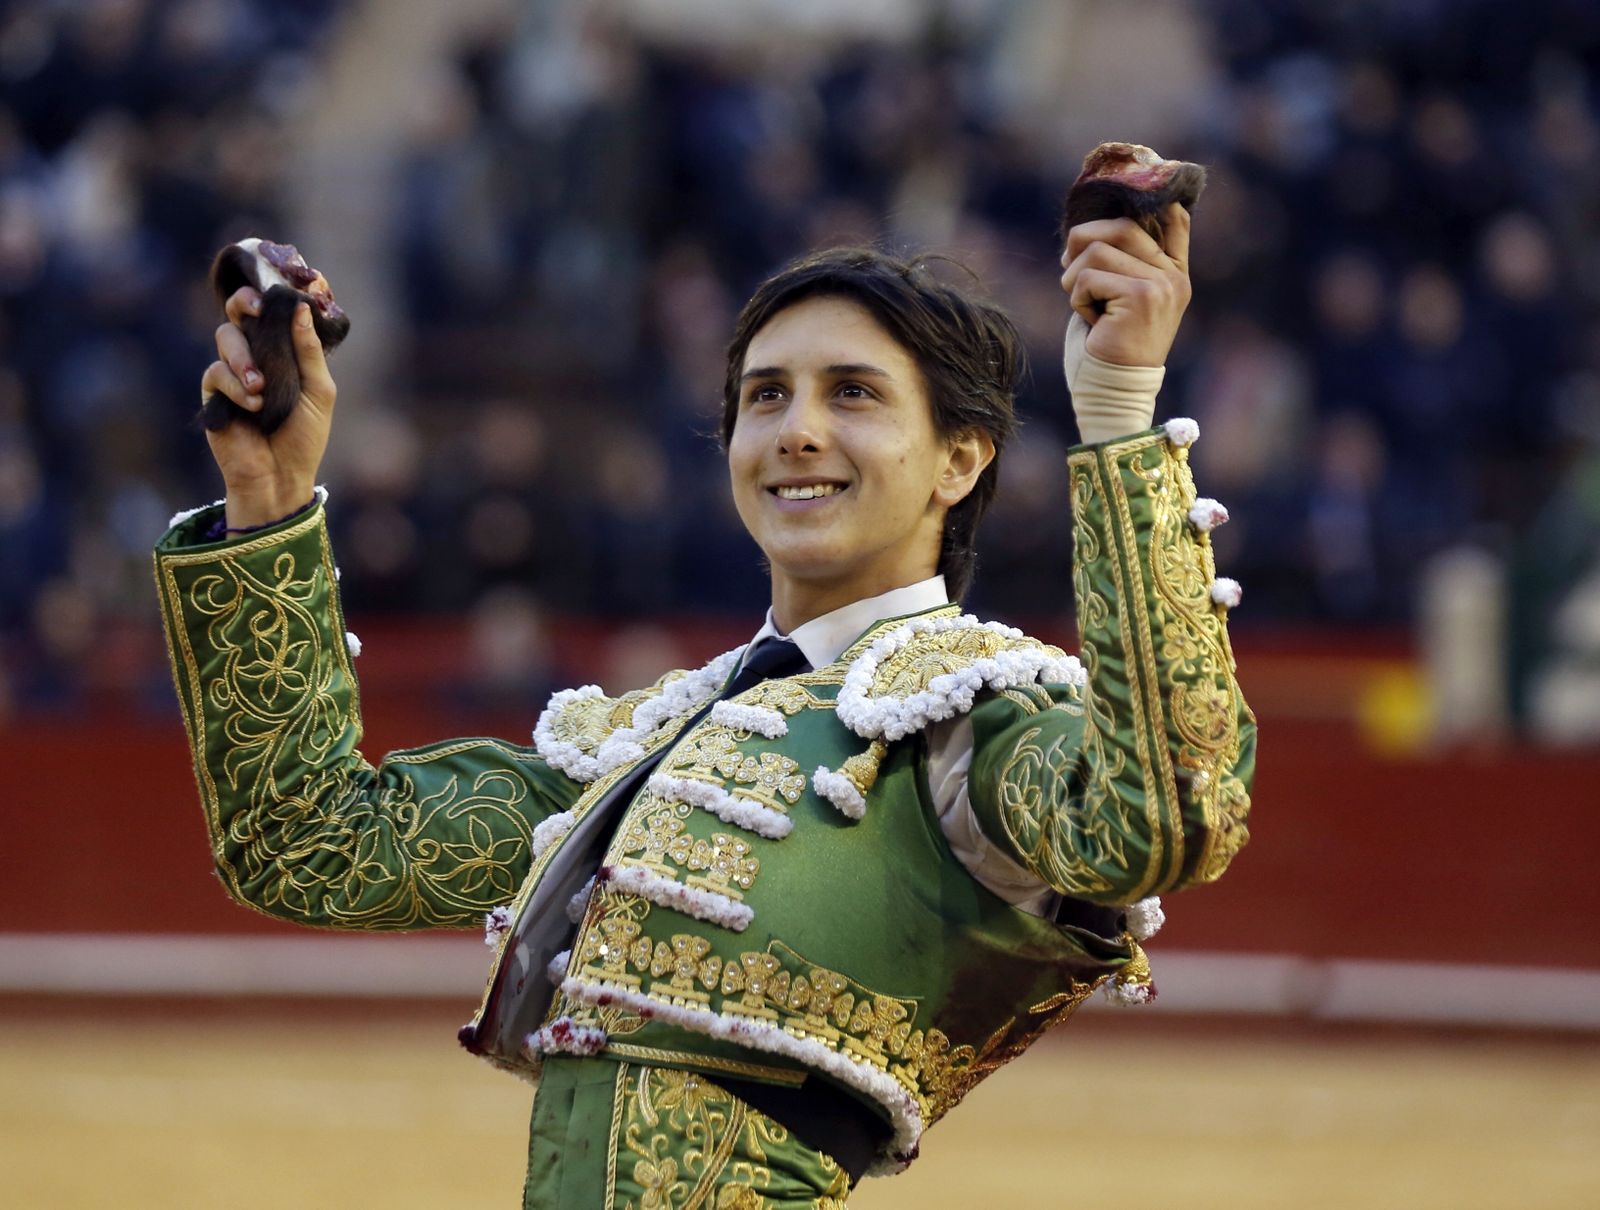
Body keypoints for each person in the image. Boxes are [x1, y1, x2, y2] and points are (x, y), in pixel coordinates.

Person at [154, 202, 1255, 1208]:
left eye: (853, 393)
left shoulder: (969, 720)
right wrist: (269, 497)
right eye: (765, 395)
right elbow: (309, 844)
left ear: (958, 459)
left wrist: (1118, 410)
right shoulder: (654, 743)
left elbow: (1162, 813)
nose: (795, 430)